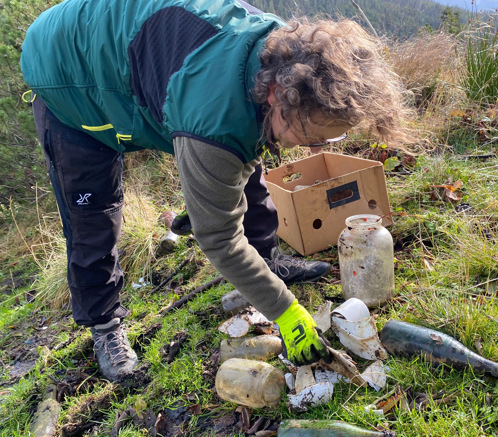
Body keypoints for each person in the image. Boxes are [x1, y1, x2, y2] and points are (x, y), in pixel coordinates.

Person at [20, 0, 410, 381]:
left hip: (139, 57)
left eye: (330, 137)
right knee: (93, 218)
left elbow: (238, 157)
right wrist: (287, 312)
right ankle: (105, 326)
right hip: (69, 77)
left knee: (246, 153)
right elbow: (218, 237)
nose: (313, 149)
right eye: (310, 134)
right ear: (277, 95)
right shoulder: (214, 119)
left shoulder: (289, 59)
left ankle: (265, 263)